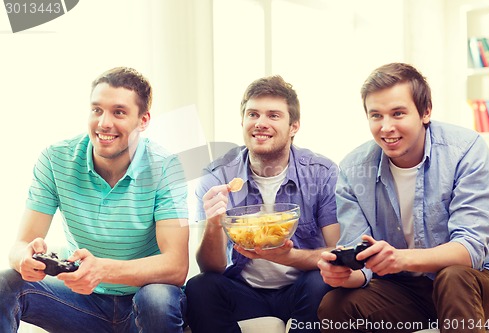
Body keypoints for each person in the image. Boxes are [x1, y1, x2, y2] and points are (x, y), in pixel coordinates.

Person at [0, 67, 190, 332]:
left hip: (142, 302)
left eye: (119, 112)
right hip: (80, 303)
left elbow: (176, 266)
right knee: (6, 283)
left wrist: (103, 270)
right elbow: (20, 244)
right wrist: (24, 258)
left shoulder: (166, 166)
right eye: (97, 110)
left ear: (143, 120)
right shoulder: (56, 159)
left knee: (156, 299)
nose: (103, 123)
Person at [317, 62, 489, 333]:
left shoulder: (465, 150)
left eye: (398, 113)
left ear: (425, 112)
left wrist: (400, 258)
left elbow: (470, 249)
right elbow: (362, 266)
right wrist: (343, 275)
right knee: (335, 306)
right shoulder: (353, 169)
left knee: (453, 277)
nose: (386, 127)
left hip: (473, 283)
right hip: (406, 290)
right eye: (376, 115)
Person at [185, 75, 340, 333]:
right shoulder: (217, 176)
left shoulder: (322, 173)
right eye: (253, 114)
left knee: (321, 282)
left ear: (294, 126)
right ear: (243, 121)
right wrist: (214, 223)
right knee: (200, 287)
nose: (261, 123)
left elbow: (335, 252)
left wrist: (288, 257)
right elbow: (211, 267)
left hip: (302, 288)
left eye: (273, 115)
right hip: (244, 292)